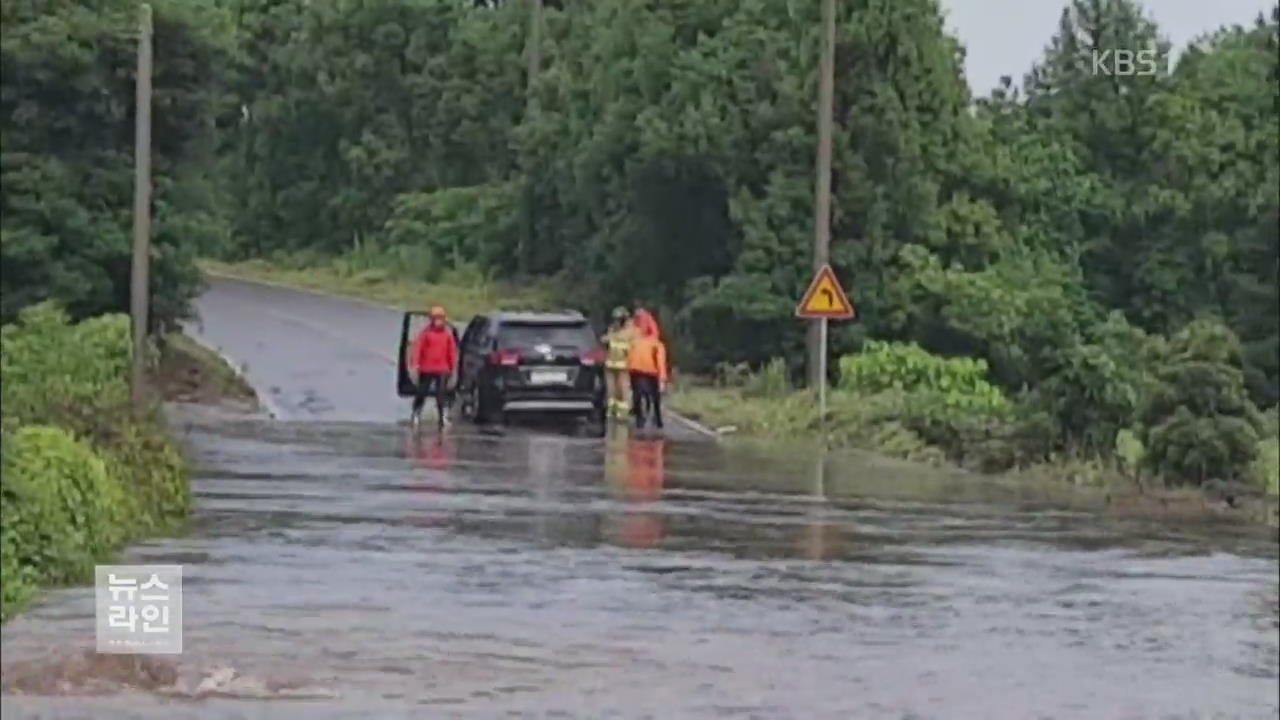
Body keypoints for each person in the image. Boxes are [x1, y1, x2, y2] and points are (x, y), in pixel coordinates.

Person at [409, 305, 458, 428]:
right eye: (435, 318)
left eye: (440, 318)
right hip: (426, 368)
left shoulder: (447, 335)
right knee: (422, 392)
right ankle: (416, 413)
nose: (438, 321)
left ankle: (442, 417)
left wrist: (453, 369)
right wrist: (415, 364)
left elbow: (452, 352)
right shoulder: (426, 334)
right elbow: (417, 349)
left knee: (441, 395)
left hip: (442, 369)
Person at [627, 308, 668, 430]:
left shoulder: (651, 341)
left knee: (647, 396)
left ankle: (652, 417)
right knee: (644, 396)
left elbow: (660, 361)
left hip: (646, 372)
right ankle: (650, 417)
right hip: (639, 372)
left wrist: (662, 379)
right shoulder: (637, 338)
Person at [602, 306, 636, 419]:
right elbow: (606, 341)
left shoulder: (631, 331)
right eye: (615, 319)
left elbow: (634, 347)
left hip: (624, 365)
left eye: (619, 319)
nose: (617, 321)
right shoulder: (612, 329)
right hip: (610, 364)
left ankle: (623, 413)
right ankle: (611, 410)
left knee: (623, 389)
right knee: (611, 390)